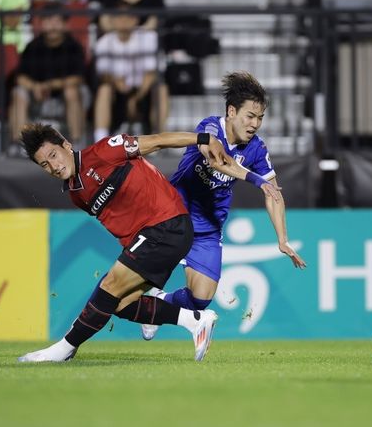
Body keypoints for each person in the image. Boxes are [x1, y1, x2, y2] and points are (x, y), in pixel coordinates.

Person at [16, 125, 233, 362]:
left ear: (66, 145)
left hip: (167, 224)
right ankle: (195, 321)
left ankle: (64, 348)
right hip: (152, 236)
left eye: (53, 155)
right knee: (118, 304)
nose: (54, 166)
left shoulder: (104, 151)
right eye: (45, 165)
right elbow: (121, 222)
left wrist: (204, 139)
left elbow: (158, 140)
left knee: (109, 285)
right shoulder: (76, 194)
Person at [140, 71, 306, 341]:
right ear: (231, 111)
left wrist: (282, 239)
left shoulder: (257, 149)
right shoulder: (210, 128)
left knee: (201, 300)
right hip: (174, 217)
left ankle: (160, 303)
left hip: (208, 228)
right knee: (133, 283)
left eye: (260, 118)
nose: (255, 124)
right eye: (250, 116)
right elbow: (217, 160)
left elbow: (273, 193)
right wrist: (254, 179)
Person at [9, 1, 86, 145]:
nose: (52, 26)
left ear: (65, 24)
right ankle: (19, 143)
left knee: (72, 91)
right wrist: (35, 87)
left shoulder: (74, 47)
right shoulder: (33, 46)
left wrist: (50, 85)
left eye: (57, 21)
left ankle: (77, 142)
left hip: (68, 96)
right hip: (37, 95)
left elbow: (78, 78)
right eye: (48, 20)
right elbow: (20, 77)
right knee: (18, 93)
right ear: (42, 23)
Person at [93, 0, 158, 141]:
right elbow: (103, 75)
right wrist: (116, 82)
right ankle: (100, 141)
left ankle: (160, 137)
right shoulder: (104, 42)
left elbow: (151, 73)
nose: (123, 20)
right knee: (104, 89)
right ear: (112, 20)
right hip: (117, 93)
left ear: (136, 19)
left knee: (161, 89)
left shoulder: (148, 38)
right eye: (119, 16)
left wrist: (136, 98)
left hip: (143, 91)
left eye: (128, 16)